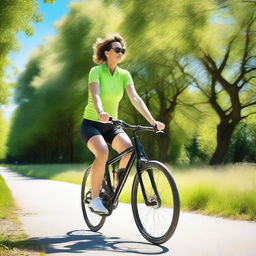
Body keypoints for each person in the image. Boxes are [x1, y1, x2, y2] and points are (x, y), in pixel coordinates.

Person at [80, 33, 165, 214]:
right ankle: (95, 199)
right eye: (117, 49)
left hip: (112, 126)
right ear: (107, 52)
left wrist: (153, 121)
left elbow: (135, 98)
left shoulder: (124, 75)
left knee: (129, 149)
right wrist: (101, 111)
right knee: (102, 152)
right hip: (92, 124)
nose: (121, 52)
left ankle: (114, 191)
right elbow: (95, 95)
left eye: (123, 50)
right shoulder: (96, 72)